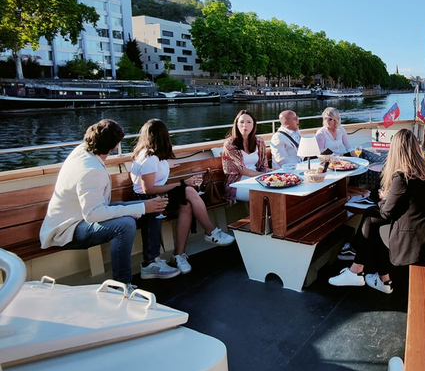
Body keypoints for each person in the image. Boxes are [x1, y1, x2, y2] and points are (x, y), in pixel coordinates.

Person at [39, 119, 168, 285]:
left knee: (149, 206)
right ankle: (122, 284)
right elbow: (93, 214)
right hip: (69, 229)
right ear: (112, 147)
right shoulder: (91, 170)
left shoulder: (82, 152)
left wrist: (144, 207)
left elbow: (97, 208)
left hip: (79, 216)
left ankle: (151, 262)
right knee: (126, 224)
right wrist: (142, 207)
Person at [329, 129, 425, 294]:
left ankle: (367, 274)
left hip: (419, 241)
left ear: (395, 149)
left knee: (372, 222)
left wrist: (385, 196)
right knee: (372, 218)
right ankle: (366, 273)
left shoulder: (403, 176)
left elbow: (386, 213)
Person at [131, 119, 235, 278]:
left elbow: (159, 167)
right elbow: (148, 189)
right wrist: (181, 184)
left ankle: (179, 255)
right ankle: (211, 232)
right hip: (147, 198)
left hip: (156, 195)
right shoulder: (149, 158)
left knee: (186, 204)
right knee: (189, 191)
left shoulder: (154, 156)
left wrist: (169, 164)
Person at [222, 110, 268, 202]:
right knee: (262, 195)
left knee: (276, 189)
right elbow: (242, 171)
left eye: (249, 122)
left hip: (258, 179)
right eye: (242, 122)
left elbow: (263, 164)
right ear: (236, 124)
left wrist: (268, 176)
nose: (245, 125)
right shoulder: (230, 144)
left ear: (254, 124)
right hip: (237, 183)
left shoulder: (259, 141)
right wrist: (264, 175)